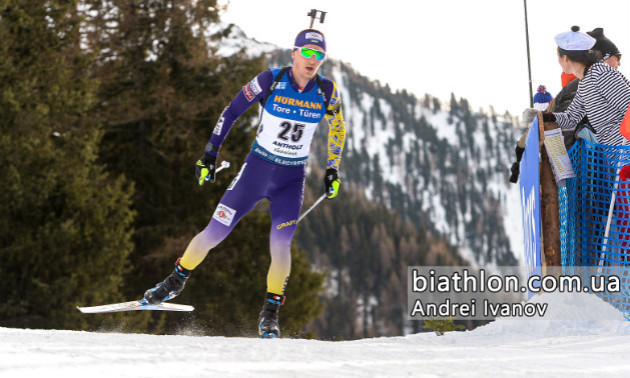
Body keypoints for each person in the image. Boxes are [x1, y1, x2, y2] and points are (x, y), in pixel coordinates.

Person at [143, 28, 346, 339]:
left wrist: (332, 169)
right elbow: (232, 111)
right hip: (255, 172)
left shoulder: (327, 91)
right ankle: (174, 282)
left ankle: (270, 314)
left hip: (290, 181)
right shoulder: (270, 80)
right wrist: (210, 154)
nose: (312, 60)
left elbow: (338, 128)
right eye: (306, 52)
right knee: (215, 231)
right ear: (294, 53)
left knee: (280, 245)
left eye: (318, 55)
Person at [522, 26, 630, 146]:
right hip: (615, 155)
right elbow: (570, 118)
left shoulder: (600, 74)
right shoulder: (585, 82)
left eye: (558, 56)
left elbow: (628, 106)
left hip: (625, 152)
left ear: (565, 58)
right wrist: (542, 116)